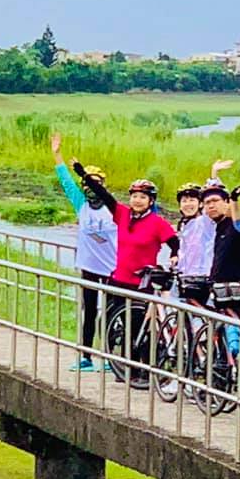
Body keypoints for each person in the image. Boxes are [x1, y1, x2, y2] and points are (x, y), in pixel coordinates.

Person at [74, 164, 179, 386]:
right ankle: (123, 367)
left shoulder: (157, 223)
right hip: (119, 279)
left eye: (143, 197)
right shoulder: (121, 214)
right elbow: (105, 195)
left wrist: (175, 256)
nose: (138, 200)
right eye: (135, 196)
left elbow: (174, 241)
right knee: (118, 325)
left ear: (151, 201)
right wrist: (83, 174)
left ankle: (143, 369)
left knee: (140, 327)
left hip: (141, 282)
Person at [52, 133, 118, 371]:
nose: (91, 189)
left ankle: (111, 357)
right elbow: (66, 182)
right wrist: (57, 154)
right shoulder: (80, 205)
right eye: (87, 185)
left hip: (112, 268)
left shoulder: (114, 209)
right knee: (89, 312)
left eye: (96, 184)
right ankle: (87, 356)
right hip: (89, 268)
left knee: (111, 314)